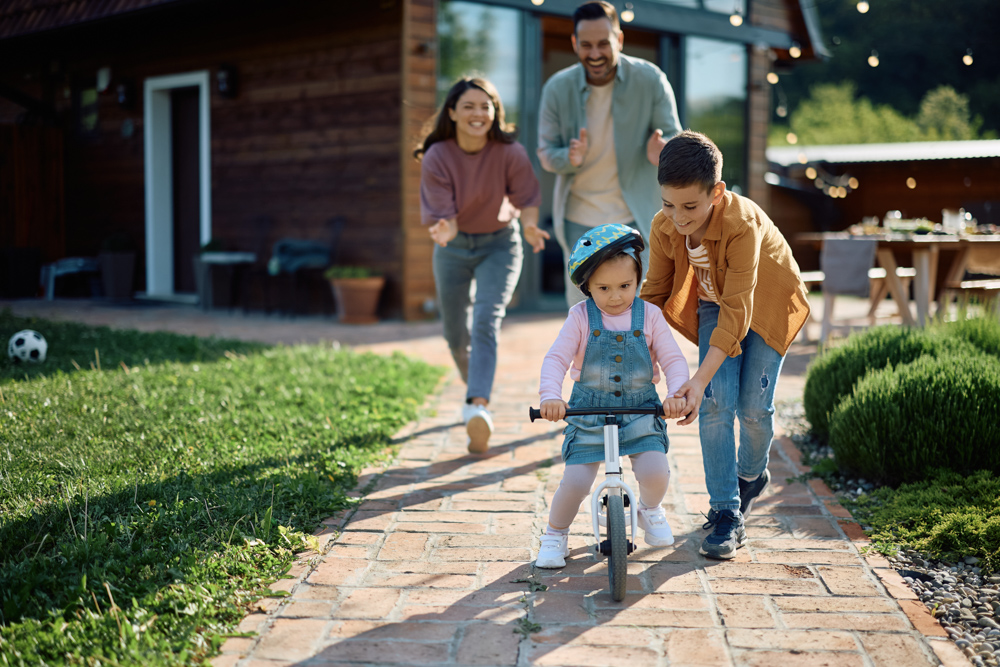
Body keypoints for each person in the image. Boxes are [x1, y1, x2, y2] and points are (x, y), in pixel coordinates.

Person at [640, 130, 811, 560]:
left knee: (753, 408)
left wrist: (697, 379)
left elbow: (741, 310)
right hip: (715, 301)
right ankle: (725, 514)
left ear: (716, 192)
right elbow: (654, 295)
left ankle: (751, 476)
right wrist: (634, 349)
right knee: (716, 404)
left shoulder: (741, 224)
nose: (678, 218)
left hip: (766, 303)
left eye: (690, 207)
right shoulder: (665, 226)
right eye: (668, 204)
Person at [534, 223, 690, 568]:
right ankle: (555, 535)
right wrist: (551, 396)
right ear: (587, 286)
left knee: (655, 471)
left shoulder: (649, 315)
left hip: (640, 411)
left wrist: (676, 393)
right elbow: (556, 358)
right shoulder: (580, 317)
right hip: (589, 411)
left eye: (625, 286)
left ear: (638, 281)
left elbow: (673, 358)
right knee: (575, 482)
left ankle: (649, 509)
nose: (616, 296)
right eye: (604, 287)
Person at [416, 77, 548, 454]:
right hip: (453, 247)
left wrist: (531, 227)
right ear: (453, 112)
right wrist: (445, 227)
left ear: (495, 113)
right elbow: (447, 217)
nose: (478, 113)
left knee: (486, 319)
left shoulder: (509, 152)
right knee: (455, 334)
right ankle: (472, 389)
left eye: (485, 106)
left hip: (499, 245)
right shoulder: (438, 155)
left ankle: (478, 406)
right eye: (469, 106)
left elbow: (527, 198)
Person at [537, 0, 681, 307]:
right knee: (584, 321)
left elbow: (673, 137)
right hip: (579, 220)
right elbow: (546, 153)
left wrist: (664, 152)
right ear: (575, 43)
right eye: (586, 45)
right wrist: (569, 158)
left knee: (639, 319)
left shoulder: (650, 79)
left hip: (636, 219)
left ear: (619, 39)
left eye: (603, 43)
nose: (595, 53)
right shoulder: (556, 88)